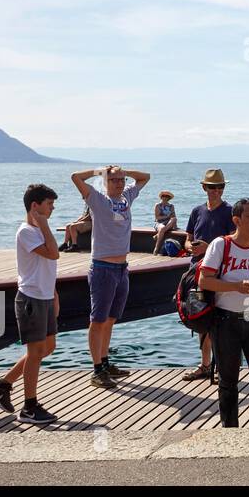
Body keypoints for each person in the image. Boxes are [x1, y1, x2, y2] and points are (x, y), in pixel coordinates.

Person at [198, 198, 249, 428]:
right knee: (227, 381)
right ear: (236, 220)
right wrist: (235, 286)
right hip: (226, 320)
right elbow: (205, 281)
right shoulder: (220, 245)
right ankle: (230, 431)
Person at [0, 184, 61, 425]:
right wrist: (45, 225)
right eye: (49, 204)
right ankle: (29, 407)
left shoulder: (39, 231)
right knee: (35, 352)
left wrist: (54, 294)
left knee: (47, 347)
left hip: (45, 296)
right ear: (35, 206)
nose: (52, 208)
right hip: (30, 298)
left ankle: (3, 384)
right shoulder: (26, 231)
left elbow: (48, 266)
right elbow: (53, 254)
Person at [71, 165, 150, 389]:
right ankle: (96, 370)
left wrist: (124, 171)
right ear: (105, 182)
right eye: (114, 180)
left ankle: (105, 363)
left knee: (111, 319)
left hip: (122, 268)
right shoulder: (97, 199)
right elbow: (75, 177)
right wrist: (99, 171)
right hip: (103, 268)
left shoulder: (126, 198)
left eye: (121, 179)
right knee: (97, 320)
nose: (119, 183)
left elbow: (146, 176)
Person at [181, 169, 235, 381]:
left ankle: (221, 367)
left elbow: (234, 241)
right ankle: (205, 366)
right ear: (204, 188)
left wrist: (208, 247)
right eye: (212, 187)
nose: (216, 191)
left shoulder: (230, 212)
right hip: (197, 272)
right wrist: (191, 247)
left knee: (222, 321)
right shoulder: (197, 211)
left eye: (220, 187)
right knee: (201, 318)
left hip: (220, 274)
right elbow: (187, 238)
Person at [153, 191, 178, 255]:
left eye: (167, 196)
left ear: (169, 198)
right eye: (163, 196)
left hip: (169, 223)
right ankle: (157, 248)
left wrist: (175, 226)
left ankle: (158, 235)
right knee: (162, 227)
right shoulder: (158, 205)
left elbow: (174, 216)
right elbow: (157, 218)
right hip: (159, 223)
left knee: (174, 219)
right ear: (161, 197)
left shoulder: (171, 206)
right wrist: (167, 216)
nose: (165, 197)